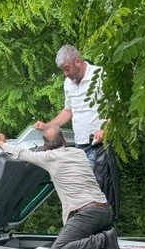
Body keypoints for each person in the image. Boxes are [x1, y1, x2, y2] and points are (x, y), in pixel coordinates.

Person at [0, 125, 119, 249]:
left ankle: (104, 239)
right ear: (64, 141)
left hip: (87, 215)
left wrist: (2, 143)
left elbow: (21, 153)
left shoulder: (48, 157)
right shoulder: (79, 153)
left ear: (45, 146)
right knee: (78, 245)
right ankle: (104, 240)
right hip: (106, 211)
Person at [35, 45, 120, 217]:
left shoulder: (100, 75)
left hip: (101, 144)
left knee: (102, 189)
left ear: (78, 61)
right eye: (63, 70)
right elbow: (68, 111)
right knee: (81, 190)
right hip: (81, 146)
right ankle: (86, 228)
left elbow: (117, 109)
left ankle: (104, 229)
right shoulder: (68, 84)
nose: (65, 74)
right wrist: (48, 126)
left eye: (66, 69)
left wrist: (106, 130)